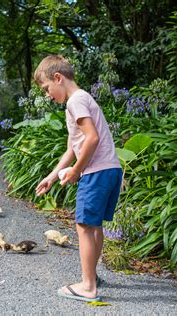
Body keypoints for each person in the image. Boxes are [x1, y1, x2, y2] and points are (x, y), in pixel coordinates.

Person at [34, 55, 122, 302]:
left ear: (58, 78)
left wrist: (76, 171)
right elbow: (72, 148)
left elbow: (92, 139)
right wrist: (51, 176)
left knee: (83, 226)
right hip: (110, 169)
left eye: (47, 88)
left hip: (95, 172)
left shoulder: (75, 101)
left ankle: (88, 286)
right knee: (94, 226)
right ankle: (91, 276)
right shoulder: (82, 99)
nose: (48, 95)